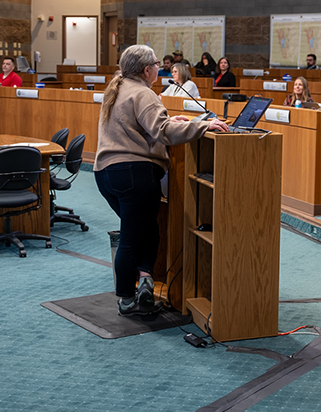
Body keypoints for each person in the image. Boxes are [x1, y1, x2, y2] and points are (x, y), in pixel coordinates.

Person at [94, 45, 229, 316]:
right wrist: (203, 125)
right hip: (134, 174)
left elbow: (145, 125)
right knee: (132, 237)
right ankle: (126, 300)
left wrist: (170, 117)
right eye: (157, 63)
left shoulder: (118, 87)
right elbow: (164, 132)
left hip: (107, 174)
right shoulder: (143, 93)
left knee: (147, 230)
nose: (160, 67)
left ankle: (145, 280)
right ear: (147, 70)